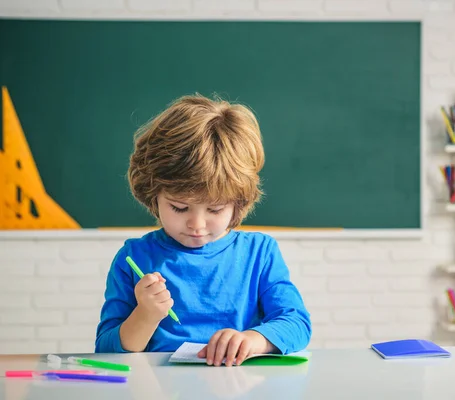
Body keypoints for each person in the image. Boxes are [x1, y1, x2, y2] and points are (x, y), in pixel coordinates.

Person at [95, 94, 311, 367]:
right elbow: (105, 348)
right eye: (179, 208)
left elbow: (296, 324)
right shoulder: (134, 258)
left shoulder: (260, 253)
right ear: (153, 195)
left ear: (238, 203)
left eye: (215, 209)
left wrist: (254, 340)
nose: (196, 225)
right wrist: (145, 315)